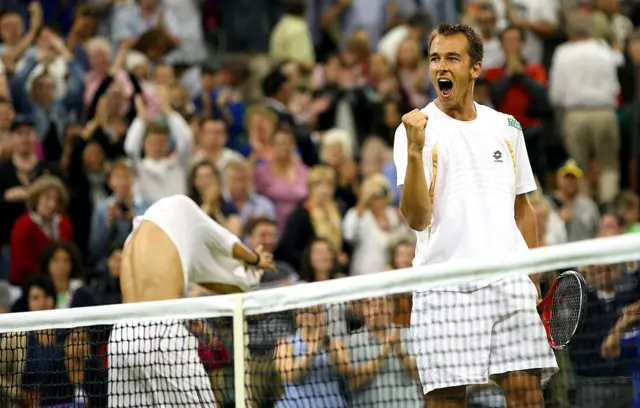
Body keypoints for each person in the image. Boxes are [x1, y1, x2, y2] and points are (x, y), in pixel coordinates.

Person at [393, 24, 557, 407]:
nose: (441, 67)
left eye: (452, 57)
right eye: (435, 58)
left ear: (475, 69)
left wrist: (530, 280)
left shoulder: (506, 127)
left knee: (527, 394)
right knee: (447, 402)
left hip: (507, 285)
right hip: (444, 287)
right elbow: (416, 219)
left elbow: (522, 207)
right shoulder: (414, 130)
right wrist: (416, 152)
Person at [108, 194, 274, 407]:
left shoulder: (139, 237)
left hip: (122, 337)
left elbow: (218, 281)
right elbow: (229, 243)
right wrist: (257, 259)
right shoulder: (183, 206)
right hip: (162, 334)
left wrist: (248, 278)